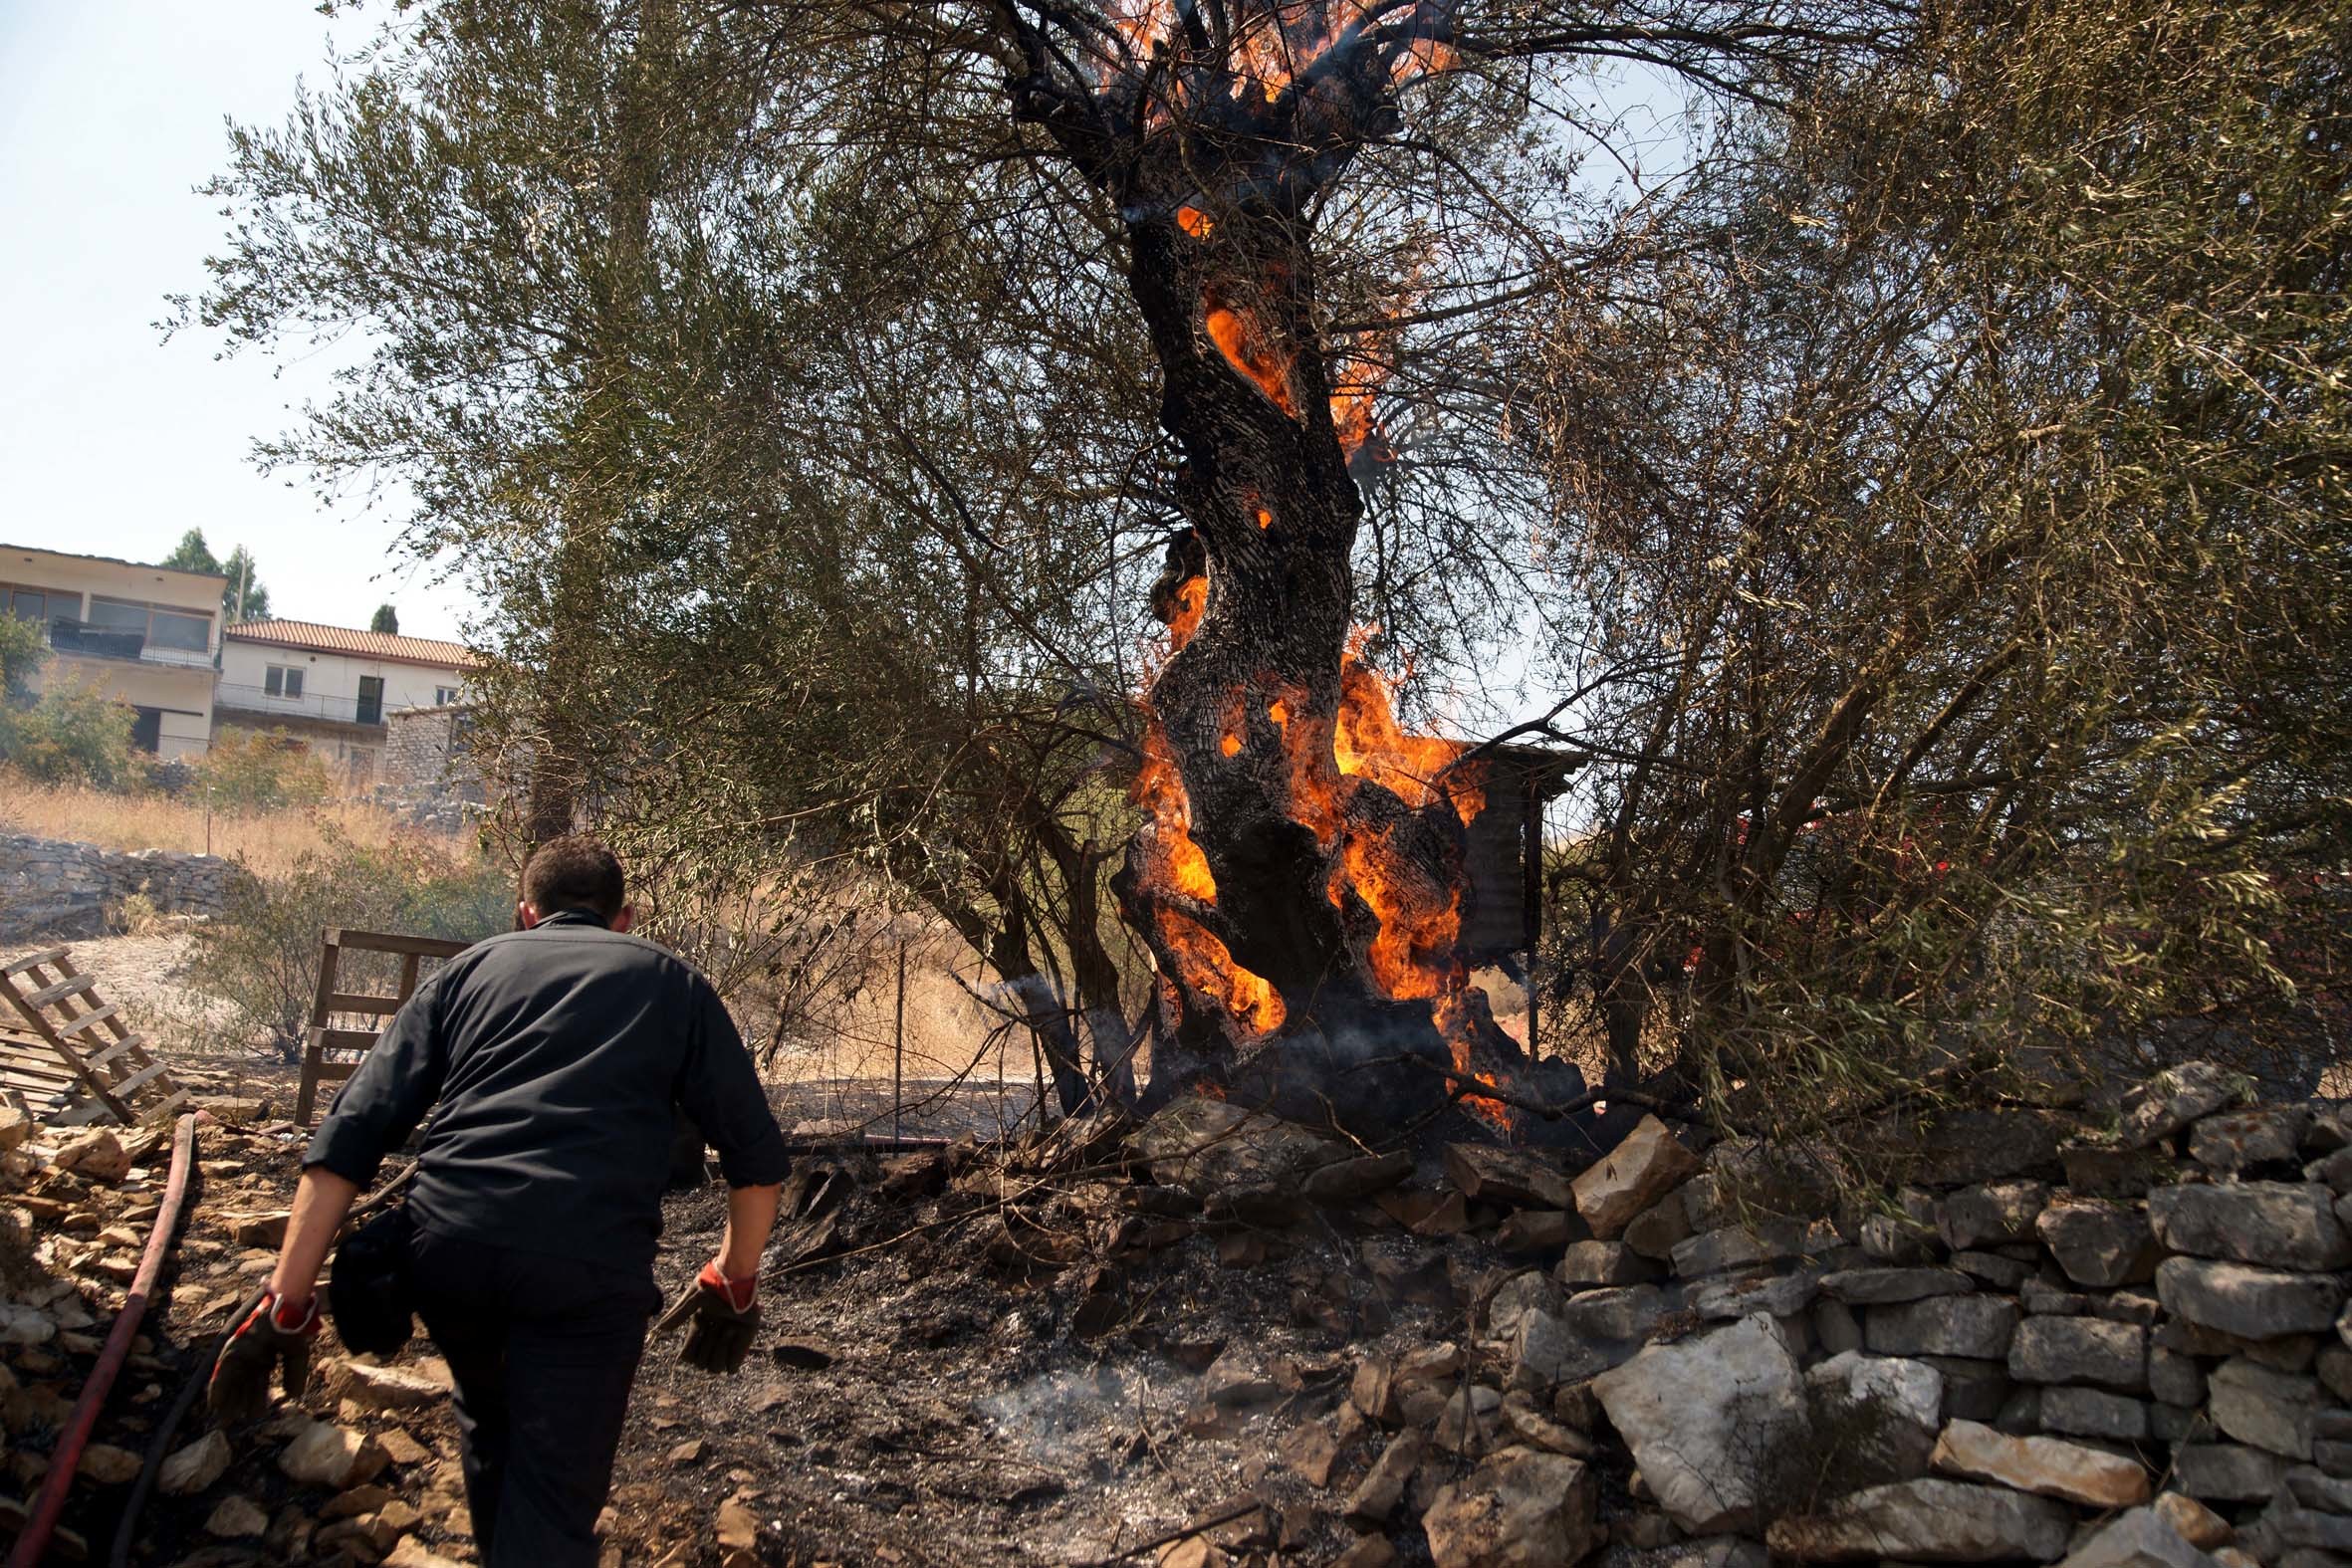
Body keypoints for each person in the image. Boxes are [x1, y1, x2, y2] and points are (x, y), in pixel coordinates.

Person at [210, 834, 792, 1567]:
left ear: (526, 913)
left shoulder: (464, 973)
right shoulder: (673, 984)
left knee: (489, 1422)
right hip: (587, 1268)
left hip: (453, 1251)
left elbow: (348, 1137)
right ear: (625, 918)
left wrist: (287, 1298)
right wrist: (733, 1279)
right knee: (553, 1501)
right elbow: (757, 1165)